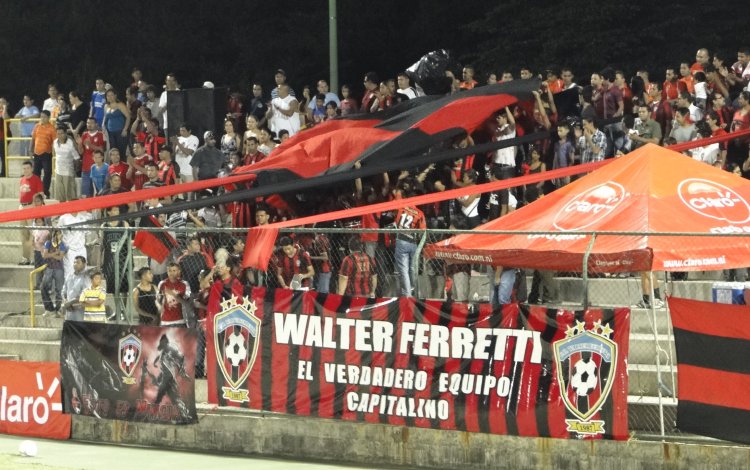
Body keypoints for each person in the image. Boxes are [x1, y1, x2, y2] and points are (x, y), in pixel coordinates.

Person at [392, 184, 426, 297]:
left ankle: (407, 295)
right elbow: (423, 230)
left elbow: (396, 193)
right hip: (414, 242)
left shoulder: (402, 206)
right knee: (413, 268)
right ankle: (416, 291)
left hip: (401, 239)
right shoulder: (420, 213)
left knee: (403, 269)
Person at [18, 160, 43, 265]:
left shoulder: (36, 179)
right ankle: (26, 257)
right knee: (24, 235)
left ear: (32, 168)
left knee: (33, 234)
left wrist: (34, 206)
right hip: (22, 208)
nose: (26, 170)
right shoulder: (22, 179)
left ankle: (34, 258)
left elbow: (41, 194)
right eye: (24, 168)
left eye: (28, 168)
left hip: (31, 207)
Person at [74, 117, 106, 198]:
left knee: (100, 193)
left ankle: (100, 210)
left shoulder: (101, 134)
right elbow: (81, 152)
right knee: (86, 194)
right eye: (88, 123)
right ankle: (88, 210)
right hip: (86, 169)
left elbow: (102, 150)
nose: (89, 125)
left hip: (98, 169)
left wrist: (90, 145)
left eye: (91, 123)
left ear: (96, 124)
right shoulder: (84, 134)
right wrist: (80, 144)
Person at [29, 110, 56, 197]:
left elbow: (55, 142)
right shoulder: (37, 126)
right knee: (36, 173)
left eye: (44, 117)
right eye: (41, 116)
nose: (42, 118)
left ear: (48, 118)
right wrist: (30, 151)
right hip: (37, 153)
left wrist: (55, 154)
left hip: (47, 154)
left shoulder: (52, 128)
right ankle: (36, 192)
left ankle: (45, 191)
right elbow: (33, 139)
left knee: (47, 173)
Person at [41, 229, 67, 317]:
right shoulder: (48, 243)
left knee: (59, 290)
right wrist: (56, 252)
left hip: (59, 269)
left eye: (60, 234)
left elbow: (60, 258)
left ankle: (58, 310)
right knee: (43, 287)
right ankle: (49, 309)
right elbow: (44, 255)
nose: (58, 236)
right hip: (49, 268)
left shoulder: (62, 244)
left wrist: (50, 254)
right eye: (57, 234)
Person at [157, 263, 191, 327]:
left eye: (174, 270)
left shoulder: (184, 284)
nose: (171, 273)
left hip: (180, 320)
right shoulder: (162, 283)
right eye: (169, 270)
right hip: (165, 321)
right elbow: (158, 299)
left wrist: (173, 294)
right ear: (167, 272)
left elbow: (185, 302)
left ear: (179, 271)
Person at [53, 126, 81, 202]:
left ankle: (73, 213)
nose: (60, 135)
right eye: (58, 133)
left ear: (65, 134)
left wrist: (76, 170)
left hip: (68, 172)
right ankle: (62, 213)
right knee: (61, 196)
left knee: (71, 196)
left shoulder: (70, 143)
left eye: (62, 133)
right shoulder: (55, 142)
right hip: (58, 171)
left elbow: (77, 158)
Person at [102, 88, 130, 158]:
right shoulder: (106, 106)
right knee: (112, 151)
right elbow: (105, 118)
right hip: (110, 132)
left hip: (120, 131)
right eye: (108, 96)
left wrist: (125, 129)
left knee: (121, 152)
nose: (110, 97)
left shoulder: (120, 105)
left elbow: (128, 117)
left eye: (112, 95)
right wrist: (103, 127)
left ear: (115, 96)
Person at [62, 256, 89, 321]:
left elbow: (84, 295)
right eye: (74, 262)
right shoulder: (69, 276)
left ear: (84, 264)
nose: (75, 264)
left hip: (80, 313)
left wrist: (70, 303)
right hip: (69, 312)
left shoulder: (86, 278)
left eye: (78, 263)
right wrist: (65, 301)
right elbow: (63, 292)